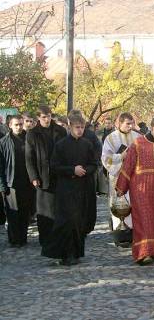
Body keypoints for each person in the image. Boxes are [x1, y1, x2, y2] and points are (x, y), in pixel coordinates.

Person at [42, 111, 97, 266]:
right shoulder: (61, 145)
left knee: (79, 222)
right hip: (66, 189)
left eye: (82, 127)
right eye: (77, 127)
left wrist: (85, 170)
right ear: (70, 127)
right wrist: (72, 170)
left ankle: (77, 253)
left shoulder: (87, 144)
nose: (79, 130)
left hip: (83, 188)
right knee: (67, 222)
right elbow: (54, 167)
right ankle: (65, 254)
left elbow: (94, 164)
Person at [115, 116, 154, 265]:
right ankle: (143, 253)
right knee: (143, 219)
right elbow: (128, 165)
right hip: (140, 188)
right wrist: (121, 187)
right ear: (152, 126)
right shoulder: (138, 143)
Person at [25, 105, 67, 246]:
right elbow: (29, 158)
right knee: (44, 211)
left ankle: (58, 238)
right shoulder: (32, 133)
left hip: (59, 174)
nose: (47, 119)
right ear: (38, 118)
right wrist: (34, 177)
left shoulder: (60, 131)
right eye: (44, 117)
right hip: (42, 177)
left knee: (59, 210)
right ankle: (46, 240)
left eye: (49, 116)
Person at [101, 112, 141, 243]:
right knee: (119, 204)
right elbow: (105, 158)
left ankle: (133, 233)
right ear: (120, 123)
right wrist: (121, 157)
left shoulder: (138, 137)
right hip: (118, 177)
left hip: (135, 177)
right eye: (127, 124)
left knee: (134, 204)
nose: (130, 126)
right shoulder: (111, 138)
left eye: (132, 123)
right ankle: (120, 234)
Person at [0, 115, 35, 247]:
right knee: (13, 213)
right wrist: (2, 185)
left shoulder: (29, 139)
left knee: (25, 211)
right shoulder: (3, 142)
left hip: (27, 181)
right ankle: (14, 239)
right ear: (10, 125)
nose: (19, 127)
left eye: (21, 124)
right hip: (11, 182)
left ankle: (23, 237)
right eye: (16, 125)